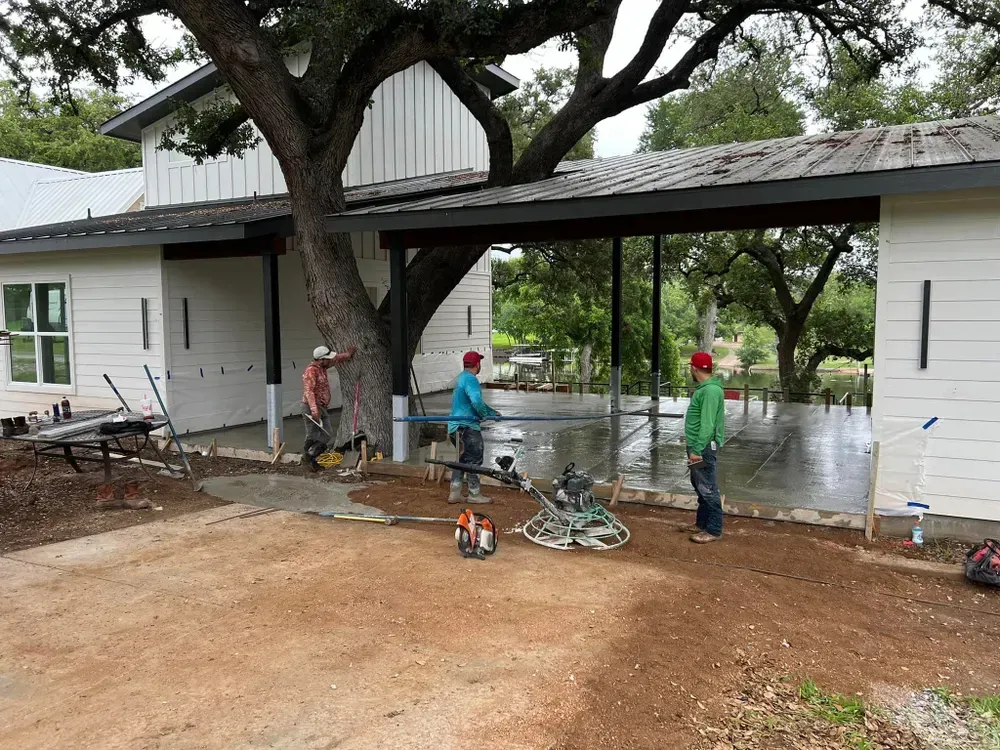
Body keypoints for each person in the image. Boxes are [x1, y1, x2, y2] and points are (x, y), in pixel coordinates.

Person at [684, 351, 726, 543]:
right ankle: (701, 523)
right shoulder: (706, 389)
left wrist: (697, 450)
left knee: (707, 486)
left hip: (702, 449)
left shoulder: (709, 391)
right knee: (698, 484)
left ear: (693, 368)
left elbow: (708, 425)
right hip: (697, 447)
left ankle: (714, 529)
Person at [448, 351, 500, 504]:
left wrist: (492, 412)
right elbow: (476, 402)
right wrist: (483, 414)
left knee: (462, 459)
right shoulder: (471, 380)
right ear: (478, 365)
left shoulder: (461, 379)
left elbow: (474, 403)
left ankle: (455, 492)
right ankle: (474, 494)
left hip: (454, 427)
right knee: (475, 459)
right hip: (467, 427)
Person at [302, 344, 355, 471]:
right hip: (311, 407)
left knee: (327, 434)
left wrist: (347, 355)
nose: (329, 360)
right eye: (327, 359)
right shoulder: (311, 371)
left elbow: (335, 359)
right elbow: (309, 391)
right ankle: (309, 459)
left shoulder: (322, 366)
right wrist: (314, 409)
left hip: (322, 407)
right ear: (321, 359)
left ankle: (309, 457)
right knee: (313, 434)